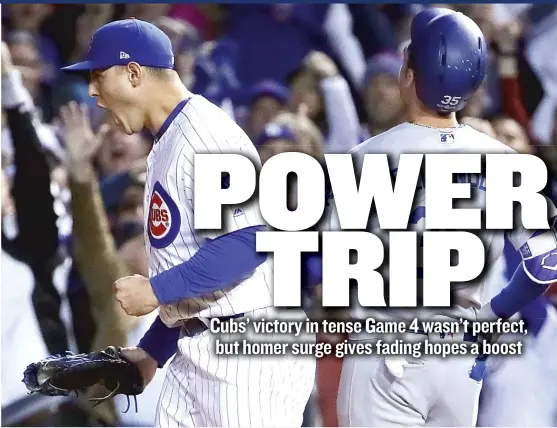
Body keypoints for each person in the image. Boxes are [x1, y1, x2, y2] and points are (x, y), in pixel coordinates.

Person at [60, 18, 316, 427]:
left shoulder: (204, 135)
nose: (93, 92)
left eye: (97, 76)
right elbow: (192, 266)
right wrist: (152, 352)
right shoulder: (167, 142)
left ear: (133, 73)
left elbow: (249, 242)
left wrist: (155, 291)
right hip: (196, 345)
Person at [330, 8, 556, 426]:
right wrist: (490, 316)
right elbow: (546, 266)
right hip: (459, 356)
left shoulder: (363, 159)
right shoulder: (506, 161)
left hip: (387, 353)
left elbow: (328, 273)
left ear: (409, 75)